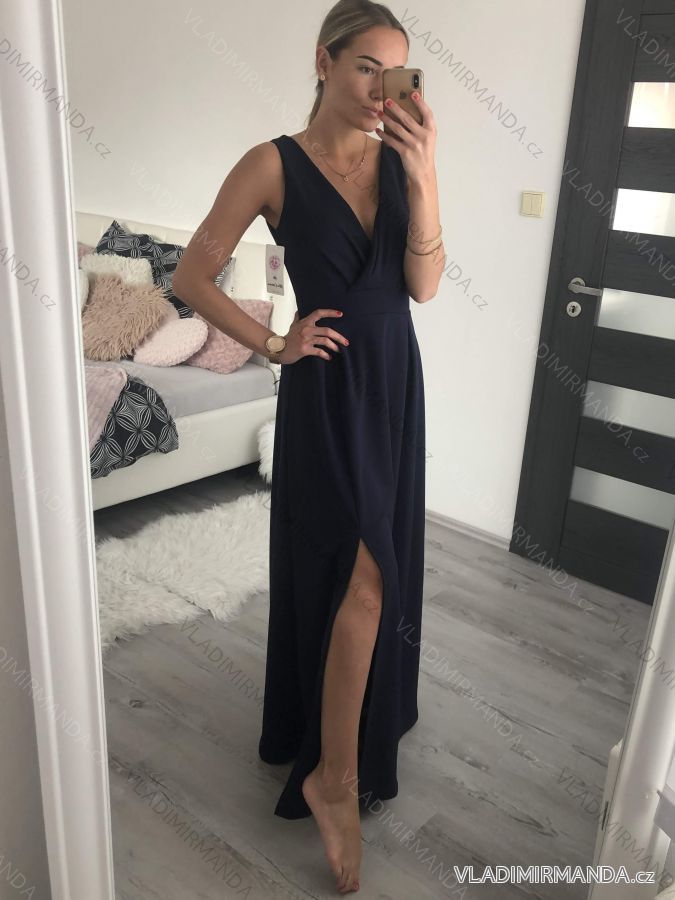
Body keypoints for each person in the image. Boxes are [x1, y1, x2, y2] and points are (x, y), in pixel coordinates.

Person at [173, 0, 442, 892]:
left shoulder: (401, 159)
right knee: (360, 572)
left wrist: (424, 173)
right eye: (366, 67)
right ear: (323, 62)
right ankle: (334, 780)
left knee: (374, 570)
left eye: (394, 74)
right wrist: (273, 343)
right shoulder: (271, 164)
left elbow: (423, 286)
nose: (380, 90)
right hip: (327, 388)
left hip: (393, 383)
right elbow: (192, 273)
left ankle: (336, 752)